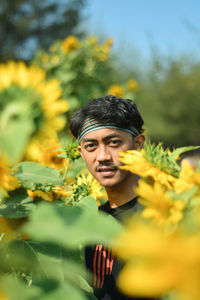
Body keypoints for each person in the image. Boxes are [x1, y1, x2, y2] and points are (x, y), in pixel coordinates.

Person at [70, 95, 156, 300]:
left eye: (114, 142)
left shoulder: (163, 213)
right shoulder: (90, 221)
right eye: (91, 146)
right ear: (81, 153)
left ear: (138, 143)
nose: (102, 156)